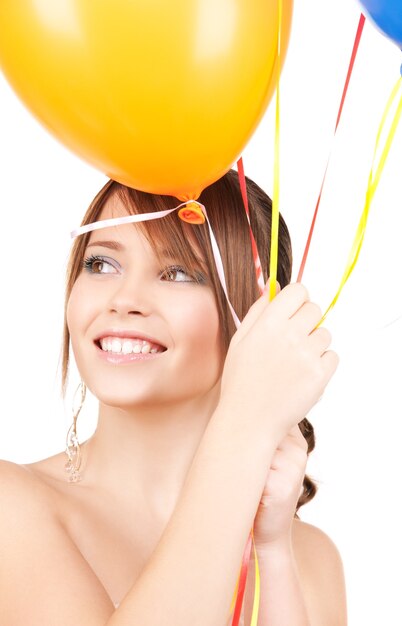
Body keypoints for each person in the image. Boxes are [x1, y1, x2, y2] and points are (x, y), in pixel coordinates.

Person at [0, 169, 347, 625]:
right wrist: (244, 428)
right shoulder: (12, 509)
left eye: (178, 272)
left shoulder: (310, 558)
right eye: (101, 264)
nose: (124, 299)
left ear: (258, 318)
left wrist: (273, 555)